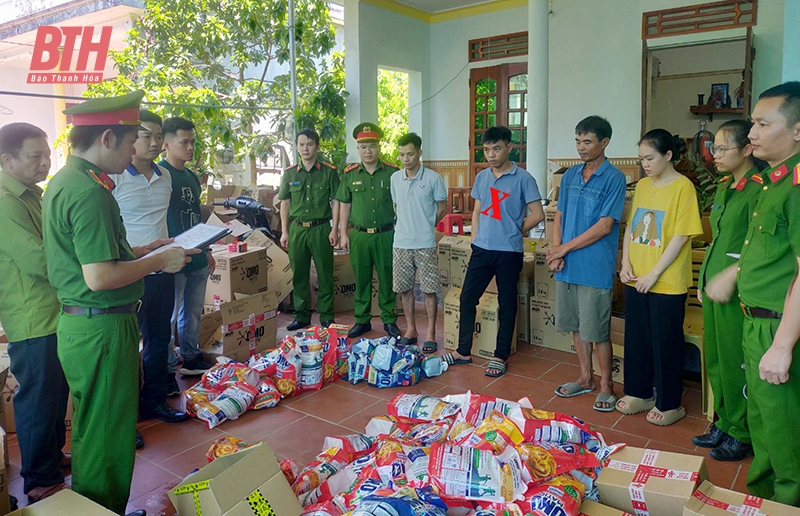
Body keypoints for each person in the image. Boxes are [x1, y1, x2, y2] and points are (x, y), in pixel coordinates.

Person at [42, 90, 200, 515]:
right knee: (108, 432)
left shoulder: (69, 180)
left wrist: (145, 249)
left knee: (95, 428)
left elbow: (97, 258)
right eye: (133, 139)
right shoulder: (90, 192)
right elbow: (99, 276)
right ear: (108, 138)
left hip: (85, 324)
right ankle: (104, 507)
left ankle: (92, 506)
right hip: (103, 325)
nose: (137, 148)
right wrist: (158, 261)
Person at [736, 81, 800, 504]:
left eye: (763, 124)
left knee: (783, 433)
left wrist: (781, 345)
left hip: (777, 327)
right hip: (755, 320)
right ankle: (761, 499)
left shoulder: (796, 186)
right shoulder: (771, 182)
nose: (752, 133)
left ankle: (785, 504)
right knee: (762, 424)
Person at [0, 123, 69, 503]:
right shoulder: (5, 201)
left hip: (53, 310)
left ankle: (52, 458)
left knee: (56, 394)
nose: (45, 163)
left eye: (47, 155)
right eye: (35, 157)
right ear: (7, 160)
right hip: (32, 317)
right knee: (39, 398)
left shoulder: (32, 194)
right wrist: (90, 271)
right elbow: (38, 261)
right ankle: (39, 479)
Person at [615, 129, 702, 426]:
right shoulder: (641, 185)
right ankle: (639, 392)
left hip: (665, 280)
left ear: (668, 155)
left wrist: (654, 273)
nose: (645, 164)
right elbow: (631, 227)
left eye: (650, 158)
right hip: (636, 275)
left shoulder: (683, 187)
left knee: (665, 341)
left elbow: (679, 237)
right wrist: (625, 262)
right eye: (641, 159)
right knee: (637, 337)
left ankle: (669, 403)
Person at [442, 126, 543, 377]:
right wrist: (475, 238)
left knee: (506, 302)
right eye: (486, 150)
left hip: (508, 252)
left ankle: (500, 355)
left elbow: (538, 214)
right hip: (482, 249)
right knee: (467, 298)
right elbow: (477, 211)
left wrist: (516, 230)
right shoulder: (482, 177)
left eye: (496, 148)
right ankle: (463, 350)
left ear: (509, 147)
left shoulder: (524, 179)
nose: (490, 154)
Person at [691, 120, 763, 461]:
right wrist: (705, 280)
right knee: (718, 358)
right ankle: (724, 419)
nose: (713, 154)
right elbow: (717, 241)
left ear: (747, 149)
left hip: (737, 290)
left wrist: (728, 279)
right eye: (713, 148)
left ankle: (742, 430)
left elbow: (754, 247)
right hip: (714, 286)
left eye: (721, 148)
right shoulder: (724, 187)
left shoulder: (758, 190)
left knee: (737, 362)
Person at [113, 110, 188, 423]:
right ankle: (127, 417)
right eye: (147, 135)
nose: (155, 142)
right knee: (129, 348)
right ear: (131, 138)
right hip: (129, 274)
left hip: (162, 272)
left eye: (159, 136)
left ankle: (155, 401)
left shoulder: (165, 176)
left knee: (159, 339)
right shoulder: (114, 177)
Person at [547, 116, 626, 412]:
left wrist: (564, 248)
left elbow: (605, 226)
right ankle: (585, 377)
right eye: (578, 141)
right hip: (568, 265)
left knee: (597, 329)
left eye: (588, 142)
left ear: (604, 143)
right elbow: (559, 215)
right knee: (576, 327)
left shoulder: (614, 178)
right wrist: (556, 251)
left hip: (594, 266)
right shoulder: (569, 176)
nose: (581, 147)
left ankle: (607, 385)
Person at [336, 123, 401, 340]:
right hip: (359, 236)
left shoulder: (392, 173)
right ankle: (362, 320)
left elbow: (400, 204)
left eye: (372, 146)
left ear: (379, 147)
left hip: (386, 235)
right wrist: (343, 233)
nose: (368, 151)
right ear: (358, 149)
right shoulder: (349, 174)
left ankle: (389, 320)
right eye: (363, 147)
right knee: (361, 278)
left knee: (387, 277)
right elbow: (344, 204)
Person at [160, 116, 214, 378]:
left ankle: (191, 356)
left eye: (193, 142)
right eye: (185, 142)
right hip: (173, 258)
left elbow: (196, 216)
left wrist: (208, 250)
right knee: (170, 316)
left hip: (198, 256)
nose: (191, 147)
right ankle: (168, 366)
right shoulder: (159, 176)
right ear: (166, 144)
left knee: (192, 313)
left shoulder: (191, 177)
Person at [390, 132, 447, 353]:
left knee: (430, 289)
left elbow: (442, 208)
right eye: (402, 154)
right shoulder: (395, 179)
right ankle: (411, 330)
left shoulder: (433, 178)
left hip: (425, 242)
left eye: (410, 154)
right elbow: (397, 207)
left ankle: (431, 333)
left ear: (419, 153)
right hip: (401, 243)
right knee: (404, 288)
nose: (406, 158)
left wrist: (426, 224)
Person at [278, 128, 340, 330]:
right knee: (299, 274)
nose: (305, 148)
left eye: (310, 144)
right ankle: (301, 315)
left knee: (325, 273)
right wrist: (285, 231)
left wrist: (335, 229)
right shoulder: (289, 174)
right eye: (302, 144)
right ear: (296, 147)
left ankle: (326, 315)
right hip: (297, 230)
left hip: (321, 228)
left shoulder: (329, 172)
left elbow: (337, 201)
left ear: (317, 146)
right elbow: (284, 203)